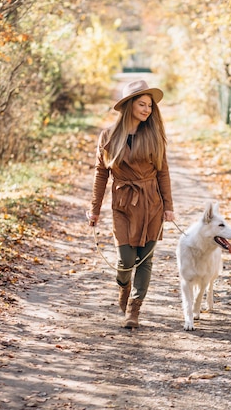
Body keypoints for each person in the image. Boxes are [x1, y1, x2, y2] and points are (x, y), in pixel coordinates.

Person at [88, 79, 175, 329]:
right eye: (142, 104)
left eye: (150, 105)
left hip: (151, 203)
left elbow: (163, 173)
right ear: (129, 105)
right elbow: (101, 175)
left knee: (145, 259)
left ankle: (134, 311)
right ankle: (123, 288)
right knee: (126, 260)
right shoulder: (108, 136)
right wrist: (94, 210)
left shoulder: (154, 135)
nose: (147, 109)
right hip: (123, 203)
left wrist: (168, 206)